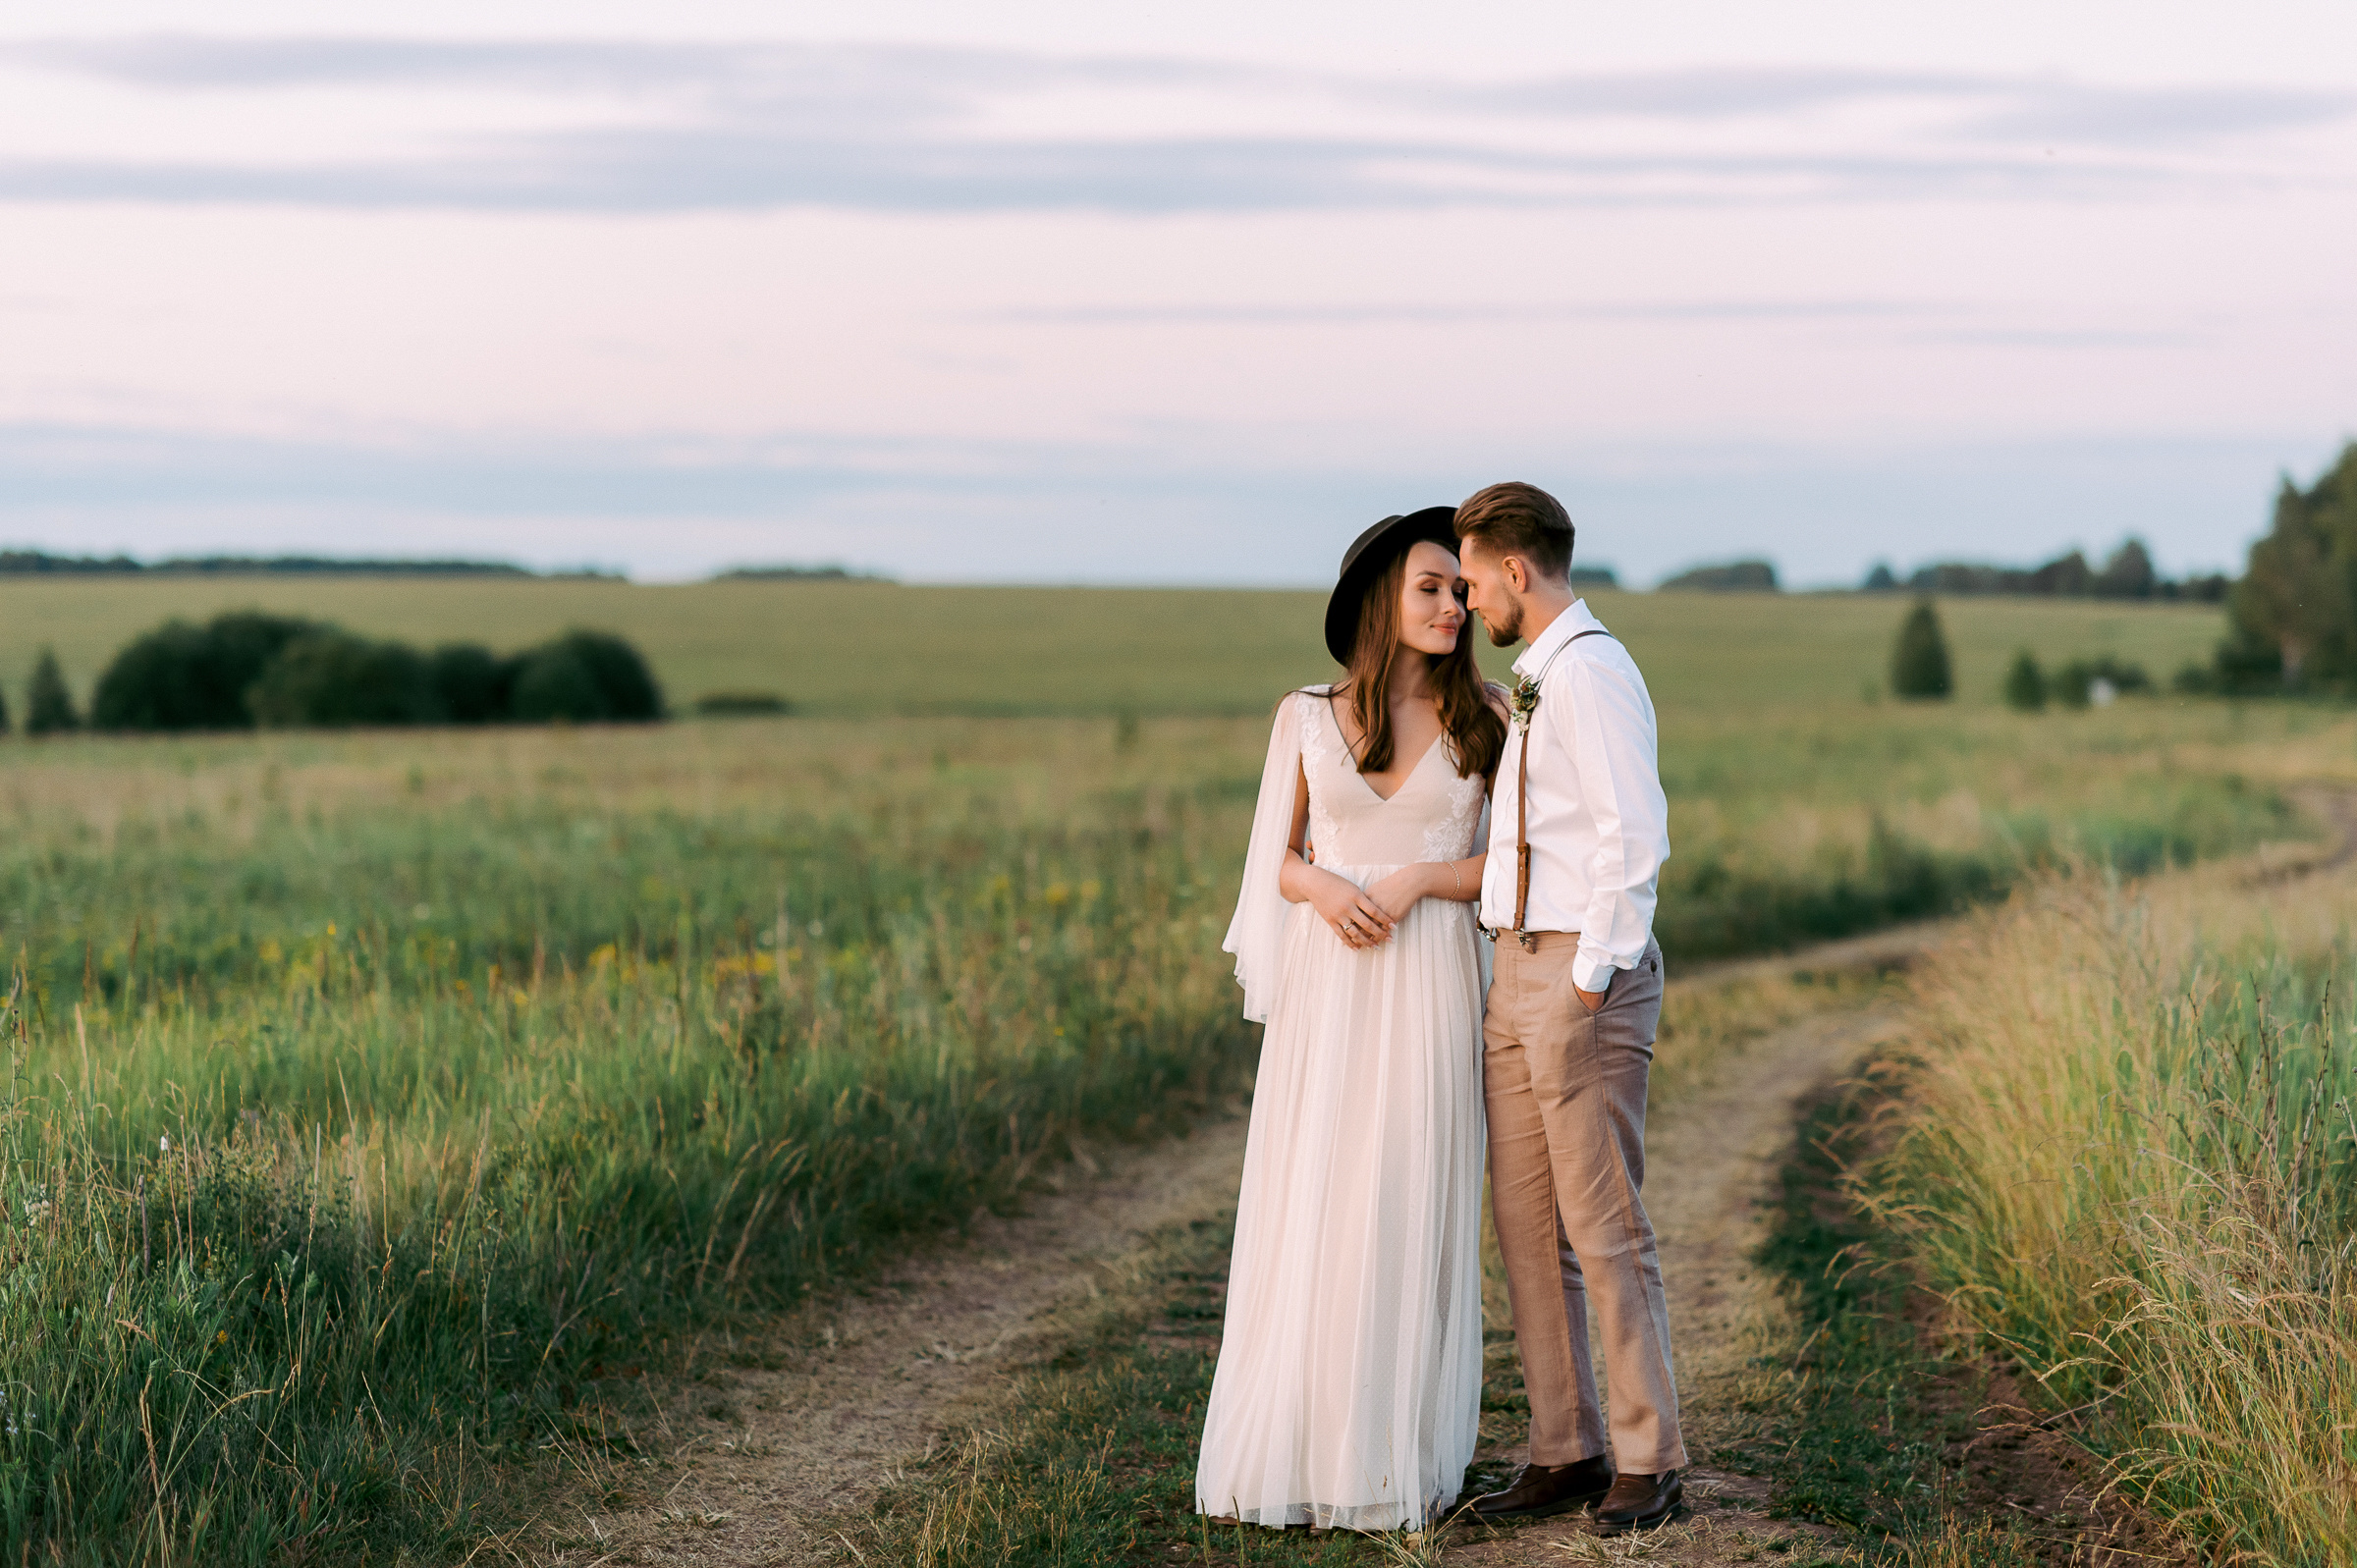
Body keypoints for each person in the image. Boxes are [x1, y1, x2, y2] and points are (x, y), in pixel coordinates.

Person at [1197, 508, 1508, 1531]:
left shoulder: (1494, 718)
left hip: (1430, 986)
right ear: (1381, 595)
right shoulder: (1302, 715)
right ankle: (1299, 1443)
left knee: (1405, 1199)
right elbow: (1273, 860)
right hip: (1330, 997)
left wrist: (1419, 877)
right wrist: (1325, 892)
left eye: (1460, 591)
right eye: (1431, 588)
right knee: (1318, 1203)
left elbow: (1510, 868)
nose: (1454, 606)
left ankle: (1390, 1457)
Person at [1453, 481, 1685, 1537]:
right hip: (1518, 970)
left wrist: (1586, 985)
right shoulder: (1536, 677)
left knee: (1601, 1225)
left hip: (1580, 978)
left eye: (1469, 578)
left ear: (1515, 570)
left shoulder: (1589, 674)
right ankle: (1565, 1444)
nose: (1466, 601)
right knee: (1528, 1224)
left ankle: (1650, 1456)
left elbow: (1636, 839)